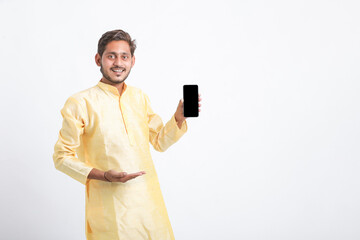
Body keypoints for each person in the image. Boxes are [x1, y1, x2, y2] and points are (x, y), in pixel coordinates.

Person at [53, 29, 201, 239]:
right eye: (111, 55)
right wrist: (104, 175)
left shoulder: (139, 97)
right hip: (110, 208)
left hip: (149, 204)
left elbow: (159, 141)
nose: (118, 63)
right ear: (98, 59)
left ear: (133, 61)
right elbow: (61, 157)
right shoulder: (80, 102)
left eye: (124, 56)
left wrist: (179, 118)